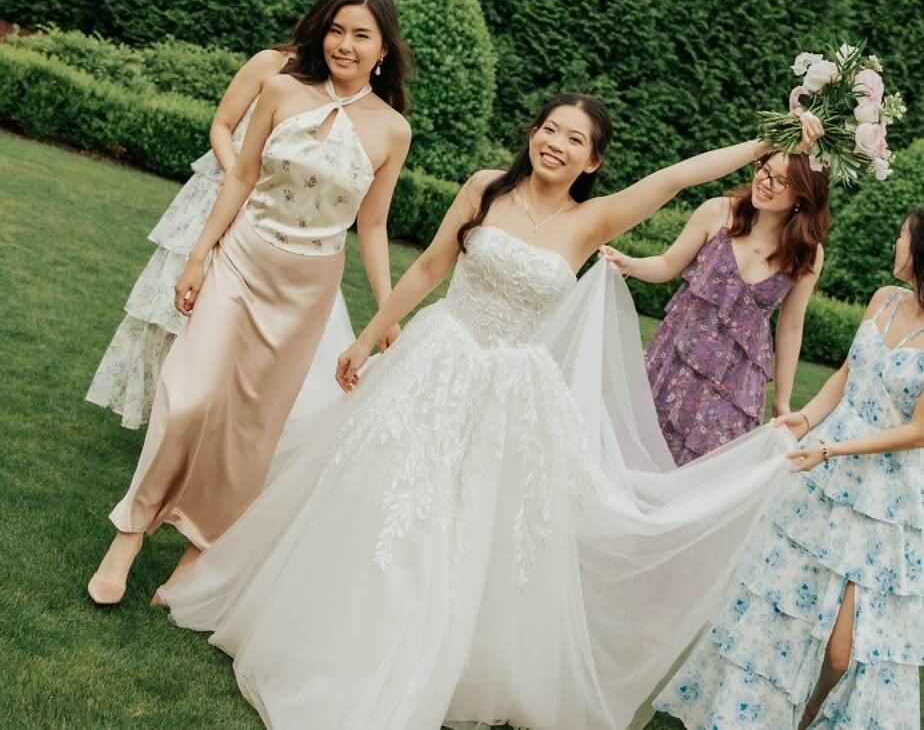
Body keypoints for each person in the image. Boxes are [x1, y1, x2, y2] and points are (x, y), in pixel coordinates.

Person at [162, 94, 822, 730]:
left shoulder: (592, 221)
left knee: (464, 525)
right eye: (550, 129)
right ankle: (329, 628)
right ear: (532, 134)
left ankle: (421, 656)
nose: (556, 144)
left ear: (593, 161)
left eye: (575, 139)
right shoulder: (485, 189)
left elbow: (677, 177)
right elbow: (429, 269)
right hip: (436, 361)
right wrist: (369, 336)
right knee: (386, 500)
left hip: (511, 392)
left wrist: (774, 142)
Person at [87, 0, 412, 607]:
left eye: (361, 35)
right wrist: (198, 255)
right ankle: (128, 535)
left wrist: (387, 311)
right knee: (189, 396)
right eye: (337, 30)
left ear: (383, 51)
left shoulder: (393, 130)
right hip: (241, 258)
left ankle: (197, 552)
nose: (345, 44)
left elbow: (372, 226)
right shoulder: (283, 90)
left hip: (308, 290)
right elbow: (240, 174)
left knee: (250, 429)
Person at [654, 207, 924, 729]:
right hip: (826, 473)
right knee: (781, 599)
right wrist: (806, 418)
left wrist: (833, 449)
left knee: (847, 650)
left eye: (902, 236)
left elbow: (919, 432)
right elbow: (846, 375)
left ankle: (814, 713)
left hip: (884, 501)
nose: (896, 244)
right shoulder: (884, 300)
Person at [85, 42, 352, 429]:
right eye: (333, 29)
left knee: (230, 319)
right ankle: (164, 413)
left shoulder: (337, 93)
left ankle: (205, 418)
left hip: (270, 217)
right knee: (173, 307)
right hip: (217, 194)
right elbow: (222, 125)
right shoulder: (271, 63)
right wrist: (233, 173)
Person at [601, 150, 830, 463]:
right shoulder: (719, 212)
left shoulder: (807, 253)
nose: (765, 182)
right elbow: (668, 264)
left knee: (702, 468)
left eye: (781, 181)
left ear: (802, 196)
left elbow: (790, 327)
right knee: (638, 449)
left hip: (735, 381)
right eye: (764, 170)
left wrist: (782, 401)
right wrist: (629, 263)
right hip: (677, 356)